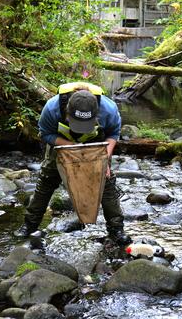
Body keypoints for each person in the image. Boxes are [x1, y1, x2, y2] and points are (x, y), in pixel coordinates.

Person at [22, 81, 132, 246]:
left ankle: (116, 230)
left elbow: (113, 134)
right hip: (62, 144)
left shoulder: (108, 109)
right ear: (67, 112)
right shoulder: (52, 108)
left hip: (96, 146)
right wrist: (71, 147)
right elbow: (45, 133)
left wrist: (104, 159)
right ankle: (29, 225)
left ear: (96, 115)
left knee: (106, 183)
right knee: (47, 180)